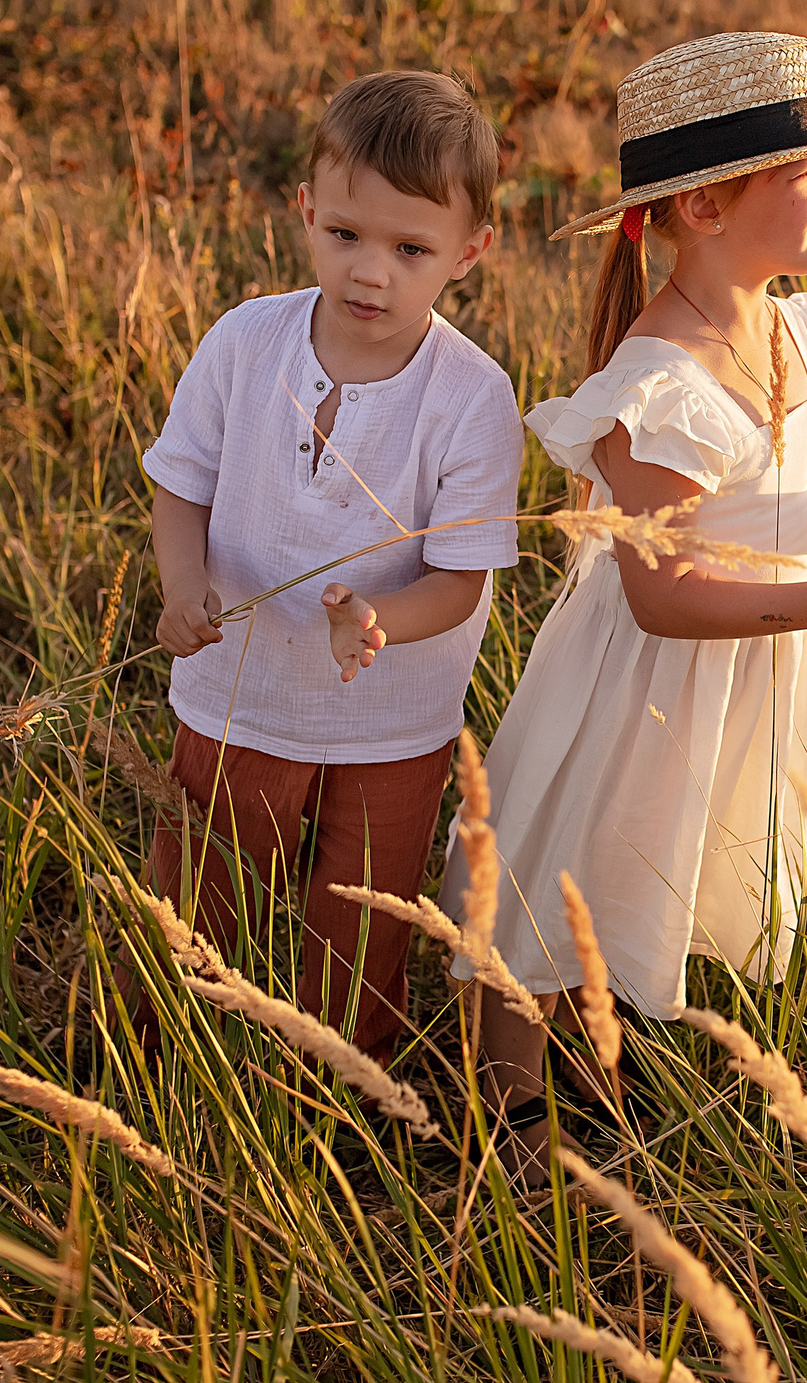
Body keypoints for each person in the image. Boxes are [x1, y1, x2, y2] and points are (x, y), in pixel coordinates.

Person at [442, 31, 807, 1138]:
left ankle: (593, 1080)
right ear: (704, 206)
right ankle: (507, 1118)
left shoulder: (796, 335)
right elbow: (662, 599)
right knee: (564, 869)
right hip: (642, 678)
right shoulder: (661, 382)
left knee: (644, 863)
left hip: (743, 663)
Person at [141, 69, 524, 1056]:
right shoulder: (246, 342)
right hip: (240, 691)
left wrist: (381, 621)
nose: (370, 273)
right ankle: (158, 1053)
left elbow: (460, 579)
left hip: (392, 716)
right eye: (346, 234)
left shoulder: (471, 397)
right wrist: (183, 586)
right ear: (307, 210)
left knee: (362, 918)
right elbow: (181, 483)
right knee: (202, 891)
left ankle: (342, 1082)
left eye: (410, 249)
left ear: (469, 252)